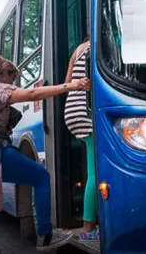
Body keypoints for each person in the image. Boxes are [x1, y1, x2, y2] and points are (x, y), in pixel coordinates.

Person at [0, 55, 91, 254]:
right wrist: (71, 86)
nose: (14, 84)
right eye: (13, 79)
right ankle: (45, 234)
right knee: (40, 176)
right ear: (4, 74)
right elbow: (32, 94)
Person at [64, 36, 99, 241]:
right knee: (95, 173)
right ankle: (87, 228)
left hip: (72, 109)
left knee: (93, 167)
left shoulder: (78, 49)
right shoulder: (97, 45)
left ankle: (92, 223)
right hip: (86, 110)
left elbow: (68, 82)